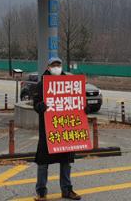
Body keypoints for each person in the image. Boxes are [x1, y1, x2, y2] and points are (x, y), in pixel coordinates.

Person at [32, 57, 82, 200]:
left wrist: (84, 109)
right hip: (48, 130)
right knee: (43, 162)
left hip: (64, 129)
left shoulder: (70, 84)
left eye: (58, 65)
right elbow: (36, 105)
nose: (56, 67)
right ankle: (41, 191)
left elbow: (77, 102)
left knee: (66, 161)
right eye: (53, 65)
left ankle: (67, 190)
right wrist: (40, 106)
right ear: (48, 67)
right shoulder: (42, 85)